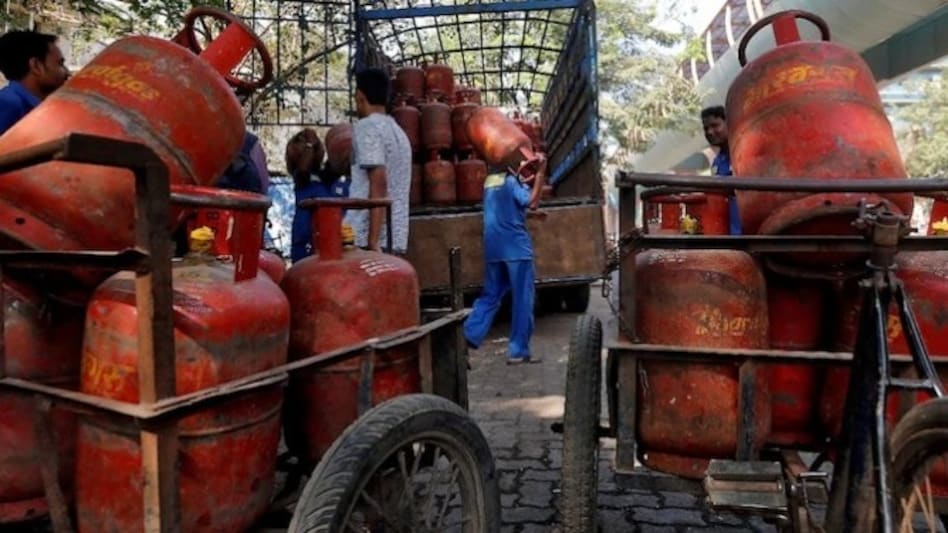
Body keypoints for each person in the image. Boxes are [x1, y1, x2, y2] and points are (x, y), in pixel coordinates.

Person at [463, 159, 546, 364]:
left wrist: (530, 216)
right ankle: (518, 351)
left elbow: (505, 210)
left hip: (493, 248)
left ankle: (467, 334)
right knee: (522, 299)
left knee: (490, 295)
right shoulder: (512, 182)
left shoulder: (490, 183)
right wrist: (540, 174)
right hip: (517, 249)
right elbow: (532, 202)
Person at [344, 67, 412, 254]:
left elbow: (378, 181)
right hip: (395, 237)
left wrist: (373, 241)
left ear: (360, 96)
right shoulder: (399, 132)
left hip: (364, 238)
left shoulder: (367, 127)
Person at [286, 127, 349, 262]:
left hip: (331, 235)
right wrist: (310, 143)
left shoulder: (325, 176)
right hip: (306, 239)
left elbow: (337, 165)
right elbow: (303, 169)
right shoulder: (301, 178)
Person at [0, 30, 69, 135]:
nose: (68, 72)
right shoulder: (8, 106)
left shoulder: (29, 106)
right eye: (60, 63)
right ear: (36, 66)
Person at [701, 105, 741, 235]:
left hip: (745, 233)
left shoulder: (741, 154)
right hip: (724, 232)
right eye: (706, 128)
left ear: (729, 123)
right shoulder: (717, 161)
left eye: (715, 125)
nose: (709, 132)